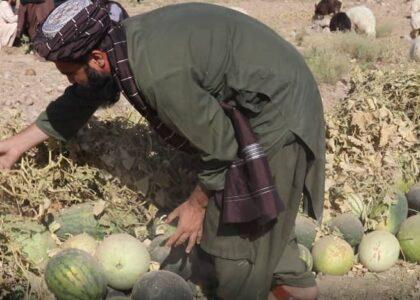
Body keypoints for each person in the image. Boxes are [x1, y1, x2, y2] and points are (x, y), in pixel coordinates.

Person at [0, 0, 326, 299]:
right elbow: (82, 97)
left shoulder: (156, 75)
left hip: (277, 108)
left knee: (230, 251)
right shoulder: (122, 44)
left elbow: (222, 147)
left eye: (71, 74)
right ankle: (296, 289)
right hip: (266, 95)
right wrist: (16, 144)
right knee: (262, 224)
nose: (72, 83)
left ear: (97, 58)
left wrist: (196, 206)